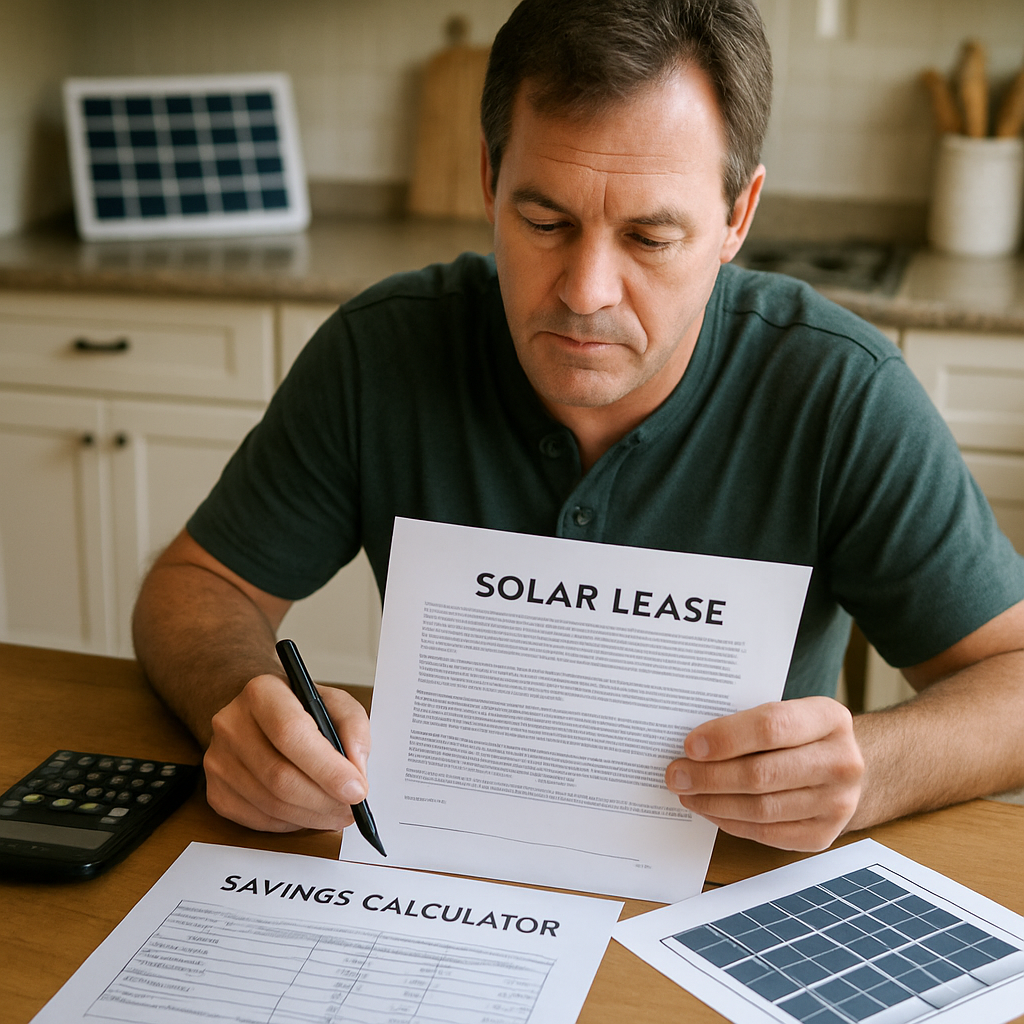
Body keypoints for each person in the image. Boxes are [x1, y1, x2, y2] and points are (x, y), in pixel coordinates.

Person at [133, 0, 1024, 854]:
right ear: (489, 178)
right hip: (442, 879)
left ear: (737, 218)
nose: (585, 291)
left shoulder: (840, 390)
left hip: (727, 900)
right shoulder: (383, 351)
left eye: (650, 237)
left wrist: (872, 771)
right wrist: (241, 704)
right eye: (545, 219)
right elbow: (197, 587)